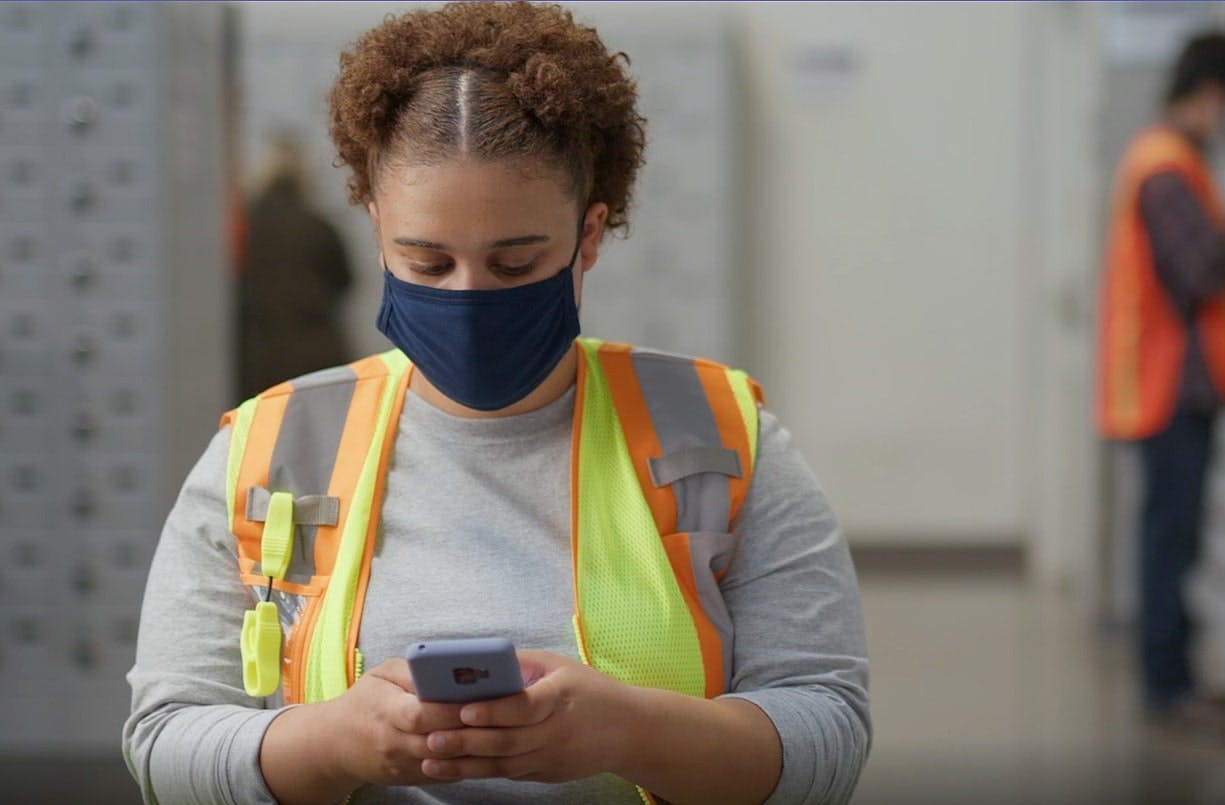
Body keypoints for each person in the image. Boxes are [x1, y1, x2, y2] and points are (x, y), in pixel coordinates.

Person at [123, 4, 870, 804]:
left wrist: (627, 730)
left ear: (588, 237)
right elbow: (166, 737)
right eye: (428, 261)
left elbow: (827, 728)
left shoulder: (722, 437)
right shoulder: (269, 447)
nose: (469, 295)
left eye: (515, 263)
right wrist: (335, 741)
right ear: (377, 233)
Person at [1096, 31, 1225, 736]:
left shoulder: (1170, 162)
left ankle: (1173, 675)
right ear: (1213, 91)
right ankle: (1168, 684)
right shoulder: (1166, 167)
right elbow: (1202, 268)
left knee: (1172, 534)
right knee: (1170, 538)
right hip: (1168, 387)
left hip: (1172, 386)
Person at [237, 132, 354, 400]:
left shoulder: (245, 226)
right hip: (315, 351)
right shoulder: (317, 224)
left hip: (258, 353)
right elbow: (346, 281)